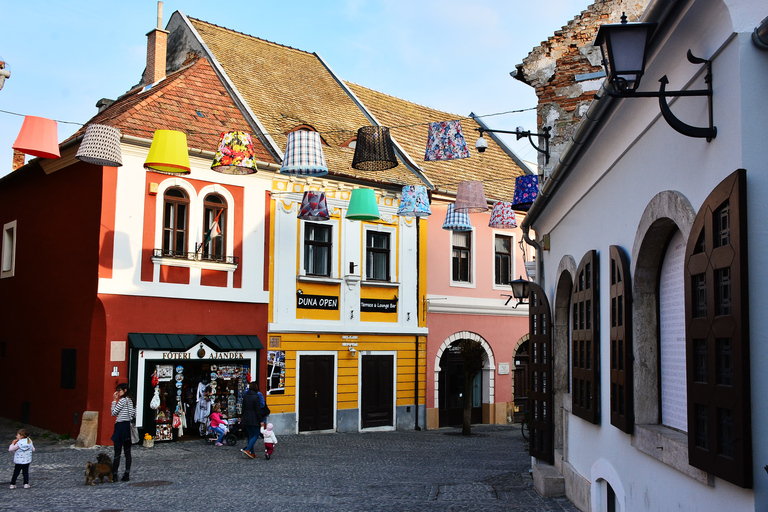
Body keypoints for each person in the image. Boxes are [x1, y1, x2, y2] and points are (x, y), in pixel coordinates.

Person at [111, 383, 136, 482]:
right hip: (128, 428)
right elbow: (134, 414)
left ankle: (114, 475)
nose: (118, 392)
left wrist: (114, 401)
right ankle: (127, 474)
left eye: (119, 390)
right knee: (127, 452)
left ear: (125, 390)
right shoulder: (132, 401)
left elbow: (113, 413)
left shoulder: (122, 401)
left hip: (120, 427)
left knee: (117, 452)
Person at [240, 382, 265, 459]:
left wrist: (242, 417)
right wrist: (261, 420)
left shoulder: (245, 396)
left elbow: (243, 408)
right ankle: (247, 450)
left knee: (250, 435)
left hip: (246, 417)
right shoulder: (256, 397)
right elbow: (258, 410)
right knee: (256, 435)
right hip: (254, 418)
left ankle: (252, 452)